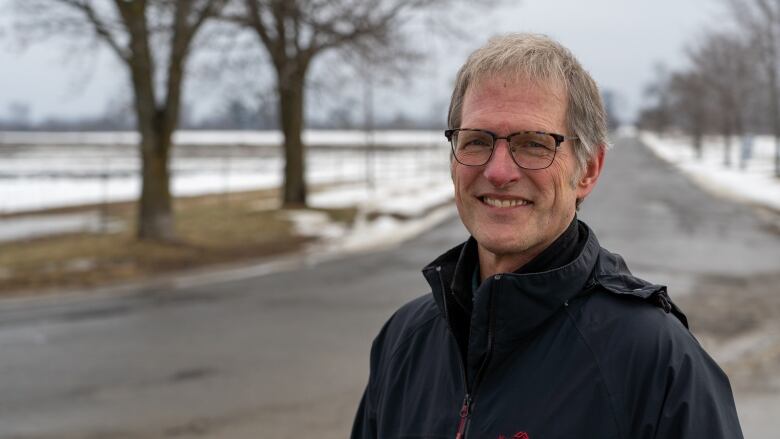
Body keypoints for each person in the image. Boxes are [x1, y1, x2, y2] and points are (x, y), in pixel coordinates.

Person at [351, 33, 743, 439]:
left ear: (588, 170)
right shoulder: (404, 339)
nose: (499, 171)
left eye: (534, 144)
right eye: (477, 141)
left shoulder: (657, 362)